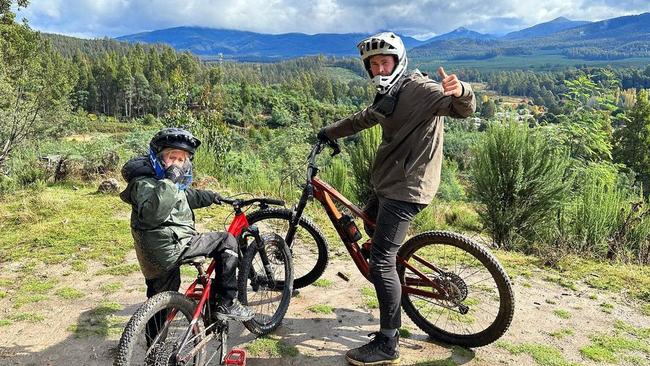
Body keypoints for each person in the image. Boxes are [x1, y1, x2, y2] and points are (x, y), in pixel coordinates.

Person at [318, 32, 476, 366]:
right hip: (389, 183)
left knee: (380, 260)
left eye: (383, 62)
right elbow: (363, 119)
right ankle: (394, 284)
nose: (378, 68)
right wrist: (327, 133)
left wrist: (461, 90)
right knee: (370, 228)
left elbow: (462, 109)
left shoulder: (420, 90)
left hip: (408, 188)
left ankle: (388, 342)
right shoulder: (389, 93)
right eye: (373, 64)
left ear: (398, 61)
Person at [119, 127, 254, 324]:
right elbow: (154, 213)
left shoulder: (163, 183)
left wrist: (213, 197)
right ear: (158, 159)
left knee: (160, 305)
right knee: (226, 241)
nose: (177, 165)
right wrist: (171, 180)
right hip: (170, 246)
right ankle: (228, 302)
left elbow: (184, 196)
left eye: (181, 160)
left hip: (153, 257)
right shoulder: (146, 184)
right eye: (172, 158)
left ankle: (154, 350)